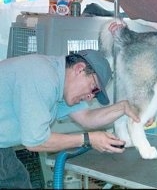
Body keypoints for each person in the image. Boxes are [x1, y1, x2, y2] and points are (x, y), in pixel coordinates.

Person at [0, 49, 143, 188]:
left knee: (17, 181)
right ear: (79, 69)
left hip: (2, 147)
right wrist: (88, 139)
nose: (90, 97)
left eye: (95, 94)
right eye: (93, 88)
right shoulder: (43, 77)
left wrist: (122, 108)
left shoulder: (61, 85)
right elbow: (36, 142)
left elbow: (87, 118)